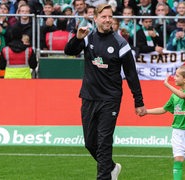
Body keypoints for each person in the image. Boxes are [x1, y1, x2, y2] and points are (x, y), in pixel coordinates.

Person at [64, 4, 146, 180]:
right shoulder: (87, 38)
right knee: (90, 143)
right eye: (104, 17)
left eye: (110, 17)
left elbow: (131, 75)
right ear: (95, 19)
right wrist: (77, 38)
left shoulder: (120, 43)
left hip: (110, 99)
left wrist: (138, 101)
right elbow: (69, 51)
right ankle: (111, 167)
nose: (108, 20)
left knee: (103, 144)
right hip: (88, 97)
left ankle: (104, 177)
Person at [141, 64, 185, 180]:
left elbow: (182, 95)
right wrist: (146, 111)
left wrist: (167, 84)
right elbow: (163, 109)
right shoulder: (174, 96)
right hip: (177, 132)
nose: (174, 78)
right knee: (178, 160)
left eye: (177, 76)